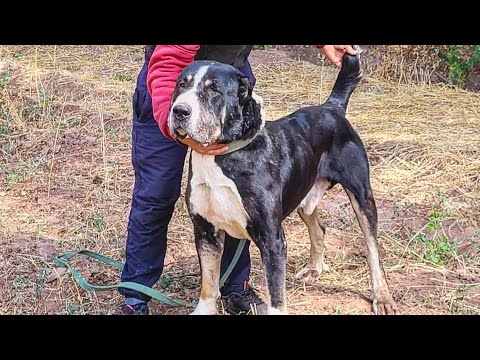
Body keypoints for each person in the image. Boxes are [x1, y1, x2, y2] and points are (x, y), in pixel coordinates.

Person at [120, 45, 358, 315]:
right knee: (156, 193)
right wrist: (175, 127)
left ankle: (236, 287)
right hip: (170, 87)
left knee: (245, 191)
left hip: (228, 82)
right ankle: (136, 293)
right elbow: (168, 63)